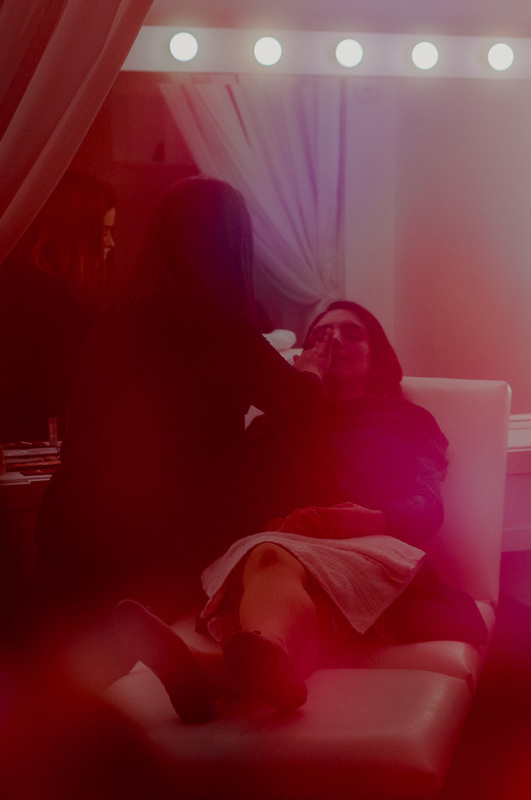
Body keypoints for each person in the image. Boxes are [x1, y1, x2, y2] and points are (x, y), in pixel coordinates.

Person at [113, 301, 484, 723]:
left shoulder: (407, 421)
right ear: (304, 360)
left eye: (352, 334)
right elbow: (235, 504)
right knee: (273, 555)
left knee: (276, 558)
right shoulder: (270, 427)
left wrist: (371, 518)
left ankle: (220, 670)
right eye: (320, 335)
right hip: (275, 549)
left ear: (376, 358)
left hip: (368, 548)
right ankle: (256, 659)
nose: (334, 341)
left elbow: (427, 503)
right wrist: (279, 525)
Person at [31, 178, 329, 679]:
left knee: (81, 694)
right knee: (138, 688)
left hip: (72, 526)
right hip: (150, 537)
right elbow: (301, 406)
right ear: (232, 245)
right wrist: (313, 371)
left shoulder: (114, 319)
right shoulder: (217, 323)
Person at [0, 171, 118, 442]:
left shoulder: (24, 285)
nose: (111, 243)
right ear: (74, 233)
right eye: (103, 231)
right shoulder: (52, 303)